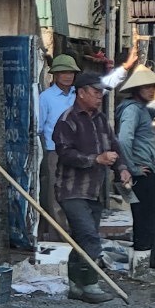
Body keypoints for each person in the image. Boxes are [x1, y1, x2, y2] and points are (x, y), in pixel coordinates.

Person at [38, 49, 137, 238]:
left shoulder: (86, 99)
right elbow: (39, 127)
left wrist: (125, 68)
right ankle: (61, 237)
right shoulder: (47, 98)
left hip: (90, 156)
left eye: (71, 73)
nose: (67, 77)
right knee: (57, 199)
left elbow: (108, 85)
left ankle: (77, 242)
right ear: (55, 75)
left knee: (88, 204)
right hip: (56, 151)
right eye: (63, 72)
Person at [53, 71, 133, 304]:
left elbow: (114, 145)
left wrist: (122, 168)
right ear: (81, 93)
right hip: (71, 189)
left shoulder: (100, 119)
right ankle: (90, 284)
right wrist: (95, 159)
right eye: (96, 92)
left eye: (101, 93)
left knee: (81, 238)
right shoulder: (67, 120)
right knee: (89, 236)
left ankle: (75, 284)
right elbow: (65, 153)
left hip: (94, 189)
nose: (100, 97)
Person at [116, 66, 155, 285]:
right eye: (147, 87)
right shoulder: (132, 110)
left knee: (143, 219)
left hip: (143, 172)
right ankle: (140, 272)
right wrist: (133, 168)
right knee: (146, 221)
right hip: (142, 174)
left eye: (154, 87)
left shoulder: (140, 109)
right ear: (137, 89)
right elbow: (123, 140)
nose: (151, 91)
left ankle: (135, 270)